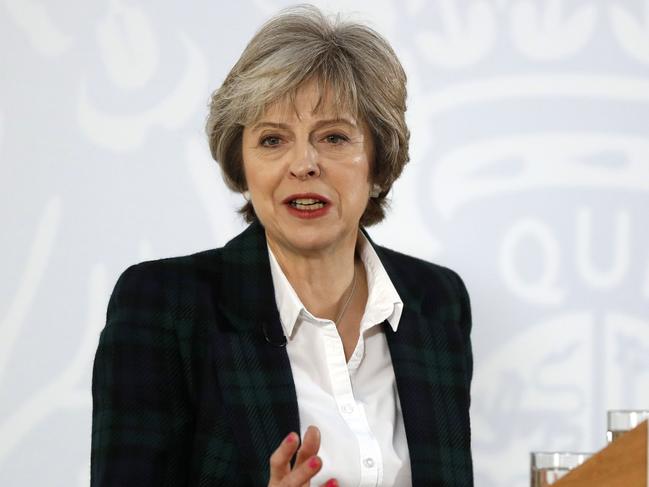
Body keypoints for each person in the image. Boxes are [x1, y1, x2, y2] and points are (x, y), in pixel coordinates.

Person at [91, 5, 473, 487]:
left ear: (378, 162)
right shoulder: (165, 306)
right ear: (243, 166)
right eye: (272, 140)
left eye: (334, 136)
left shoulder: (436, 303)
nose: (304, 164)